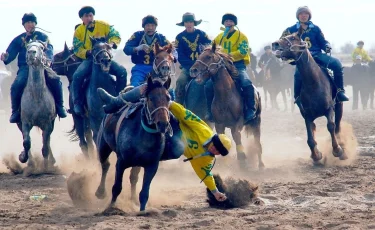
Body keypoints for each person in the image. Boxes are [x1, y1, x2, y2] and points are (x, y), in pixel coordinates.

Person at [99, 84, 232, 202]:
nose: (215, 151)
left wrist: (215, 192)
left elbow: (205, 174)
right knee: (156, 86)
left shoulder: (207, 159)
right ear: (214, 140)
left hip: (172, 143)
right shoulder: (203, 131)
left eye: (218, 152)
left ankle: (154, 157)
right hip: (175, 124)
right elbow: (186, 114)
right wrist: (167, 104)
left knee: (178, 149)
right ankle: (115, 101)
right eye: (216, 147)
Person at [1, 13, 67, 123]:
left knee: (56, 80)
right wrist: (5, 57)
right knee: (16, 85)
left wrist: (48, 59)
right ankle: (15, 112)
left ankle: (60, 107)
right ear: (24, 25)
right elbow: (10, 53)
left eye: (32, 22)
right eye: (27, 22)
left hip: (42, 66)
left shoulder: (43, 37)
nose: (30, 24)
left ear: (35, 24)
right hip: (25, 67)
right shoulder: (19, 39)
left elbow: (49, 49)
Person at [280, 6, 349, 105]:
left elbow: (323, 41)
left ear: (309, 15)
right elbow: (281, 43)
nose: (304, 16)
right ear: (298, 16)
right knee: (297, 74)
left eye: (306, 14)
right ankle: (297, 97)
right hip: (302, 59)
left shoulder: (315, 29)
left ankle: (340, 91)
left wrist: (327, 46)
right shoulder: (290, 30)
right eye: (301, 14)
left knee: (337, 64)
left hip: (317, 55)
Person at [71, 6, 127, 117]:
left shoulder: (104, 25)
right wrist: (87, 52)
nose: (89, 18)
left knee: (122, 72)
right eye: (86, 16)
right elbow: (77, 48)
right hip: (90, 59)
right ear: (82, 18)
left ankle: (120, 98)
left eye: (90, 15)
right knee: (77, 76)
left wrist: (112, 43)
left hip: (105, 57)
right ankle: (77, 103)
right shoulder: (79, 31)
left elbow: (116, 35)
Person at [205, 13, 257, 124]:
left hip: (238, 65)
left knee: (246, 82)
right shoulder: (219, 37)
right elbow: (211, 51)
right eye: (226, 21)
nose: (228, 23)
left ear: (234, 23)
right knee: (208, 85)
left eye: (231, 21)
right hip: (222, 66)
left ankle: (250, 109)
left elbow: (242, 52)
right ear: (223, 23)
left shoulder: (242, 36)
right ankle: (210, 112)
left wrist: (226, 55)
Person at [174, 12, 211, 104]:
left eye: (191, 22)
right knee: (180, 81)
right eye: (186, 22)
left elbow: (209, 49)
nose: (189, 24)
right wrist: (192, 65)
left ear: (194, 23)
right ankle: (179, 105)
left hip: (204, 67)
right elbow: (180, 55)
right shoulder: (179, 37)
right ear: (184, 24)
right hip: (188, 67)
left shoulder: (202, 34)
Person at [123, 15, 170, 87]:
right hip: (140, 68)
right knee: (134, 86)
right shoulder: (137, 35)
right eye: (147, 25)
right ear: (144, 26)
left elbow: (171, 49)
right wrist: (138, 48)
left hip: (157, 69)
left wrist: (173, 56)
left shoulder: (161, 38)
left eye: (152, 25)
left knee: (168, 90)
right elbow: (126, 49)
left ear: (155, 27)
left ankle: (174, 98)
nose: (150, 28)